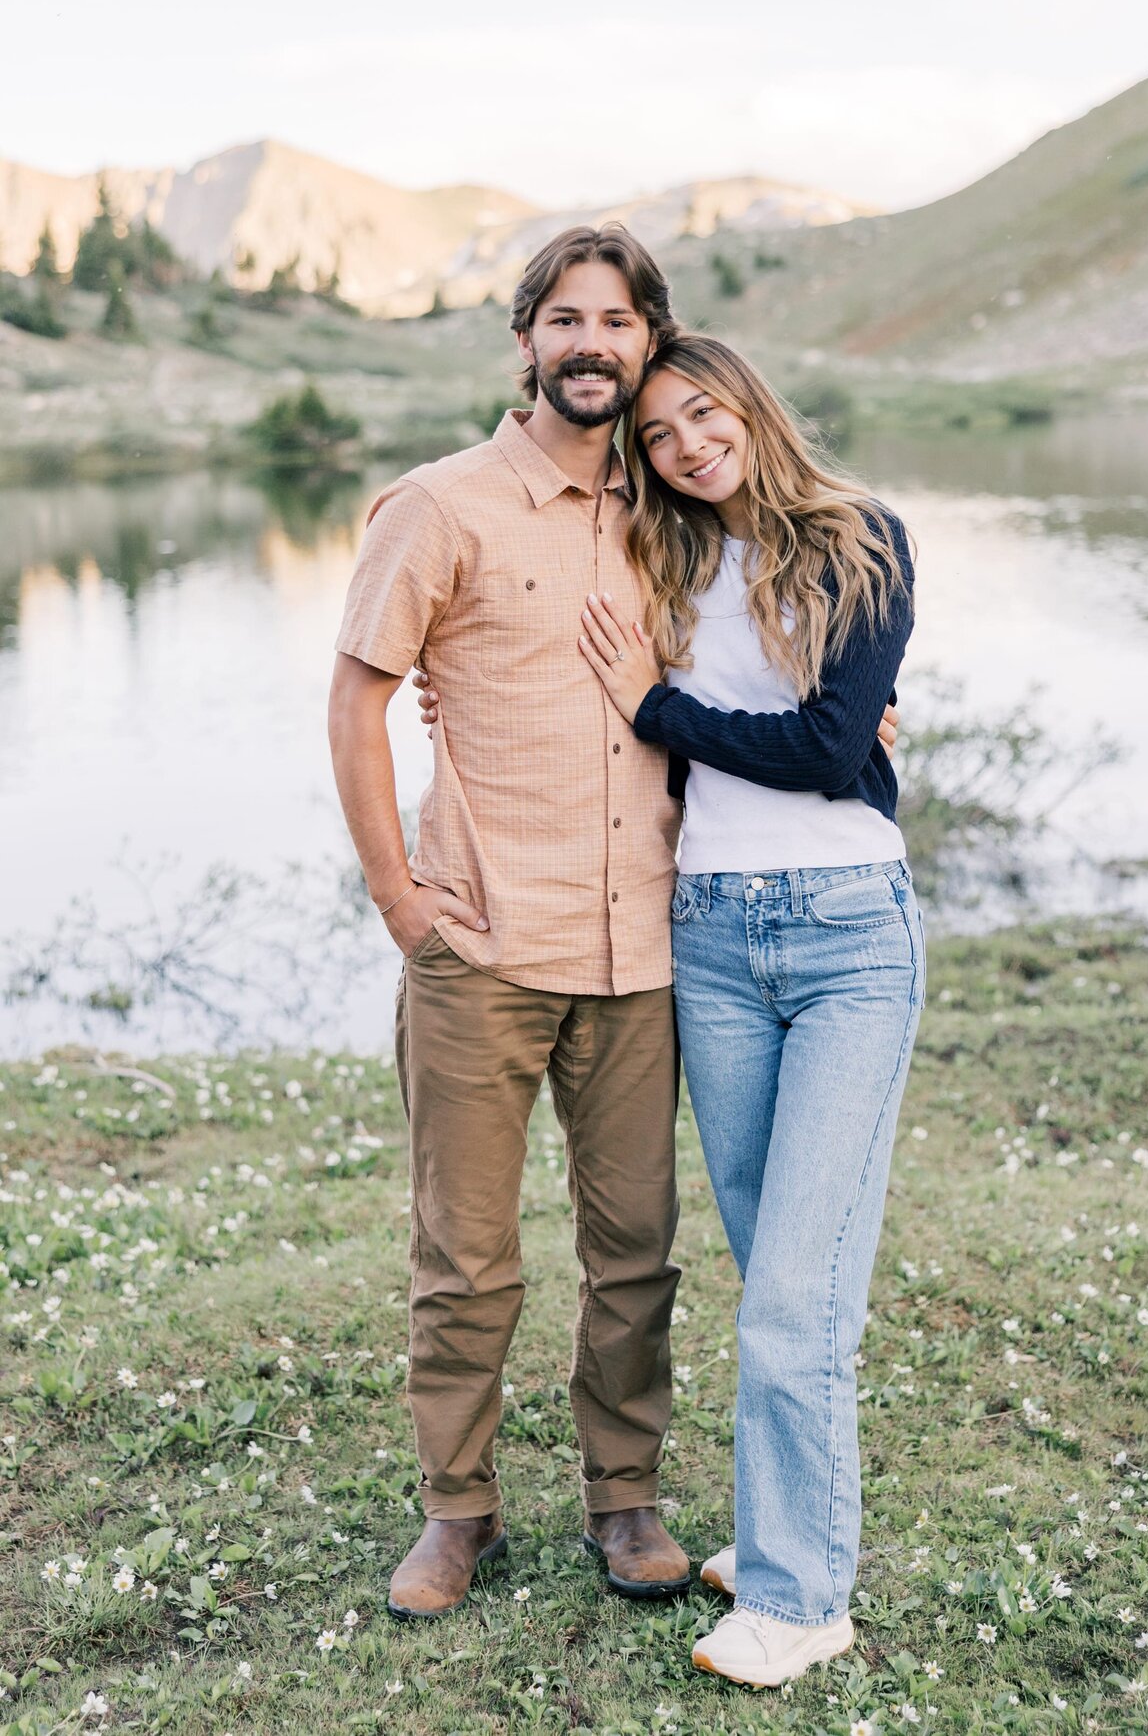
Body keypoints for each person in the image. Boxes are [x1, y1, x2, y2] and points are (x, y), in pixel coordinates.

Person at [328, 223, 696, 1618]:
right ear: (526, 339)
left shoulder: (675, 509)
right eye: (565, 319)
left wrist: (866, 710)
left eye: (617, 321)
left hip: (642, 950)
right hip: (480, 947)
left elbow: (778, 632)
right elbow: (356, 699)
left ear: (646, 344)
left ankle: (626, 1501)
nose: (591, 343)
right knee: (465, 1260)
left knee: (635, 1253)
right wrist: (399, 900)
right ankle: (457, 1512)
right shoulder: (440, 506)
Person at [571, 331, 924, 1689]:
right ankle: (792, 1528)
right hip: (712, 939)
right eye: (658, 434)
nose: (685, 446)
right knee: (777, 1269)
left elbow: (834, 751)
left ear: (748, 408)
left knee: (794, 1294)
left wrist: (659, 708)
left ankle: (799, 1596)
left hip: (846, 938)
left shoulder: (861, 539)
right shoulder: (663, 559)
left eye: (701, 414)